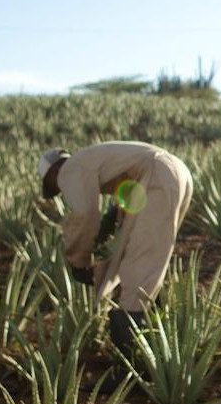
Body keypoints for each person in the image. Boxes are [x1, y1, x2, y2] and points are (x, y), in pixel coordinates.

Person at [38, 141, 193, 384]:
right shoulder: (95, 158)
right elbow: (129, 186)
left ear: (52, 172)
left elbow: (83, 215)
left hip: (158, 176)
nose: (58, 190)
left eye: (52, 185)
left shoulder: (70, 168)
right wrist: (111, 222)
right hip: (177, 173)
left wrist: (78, 261)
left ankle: (131, 373)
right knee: (151, 262)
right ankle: (159, 350)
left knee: (138, 270)